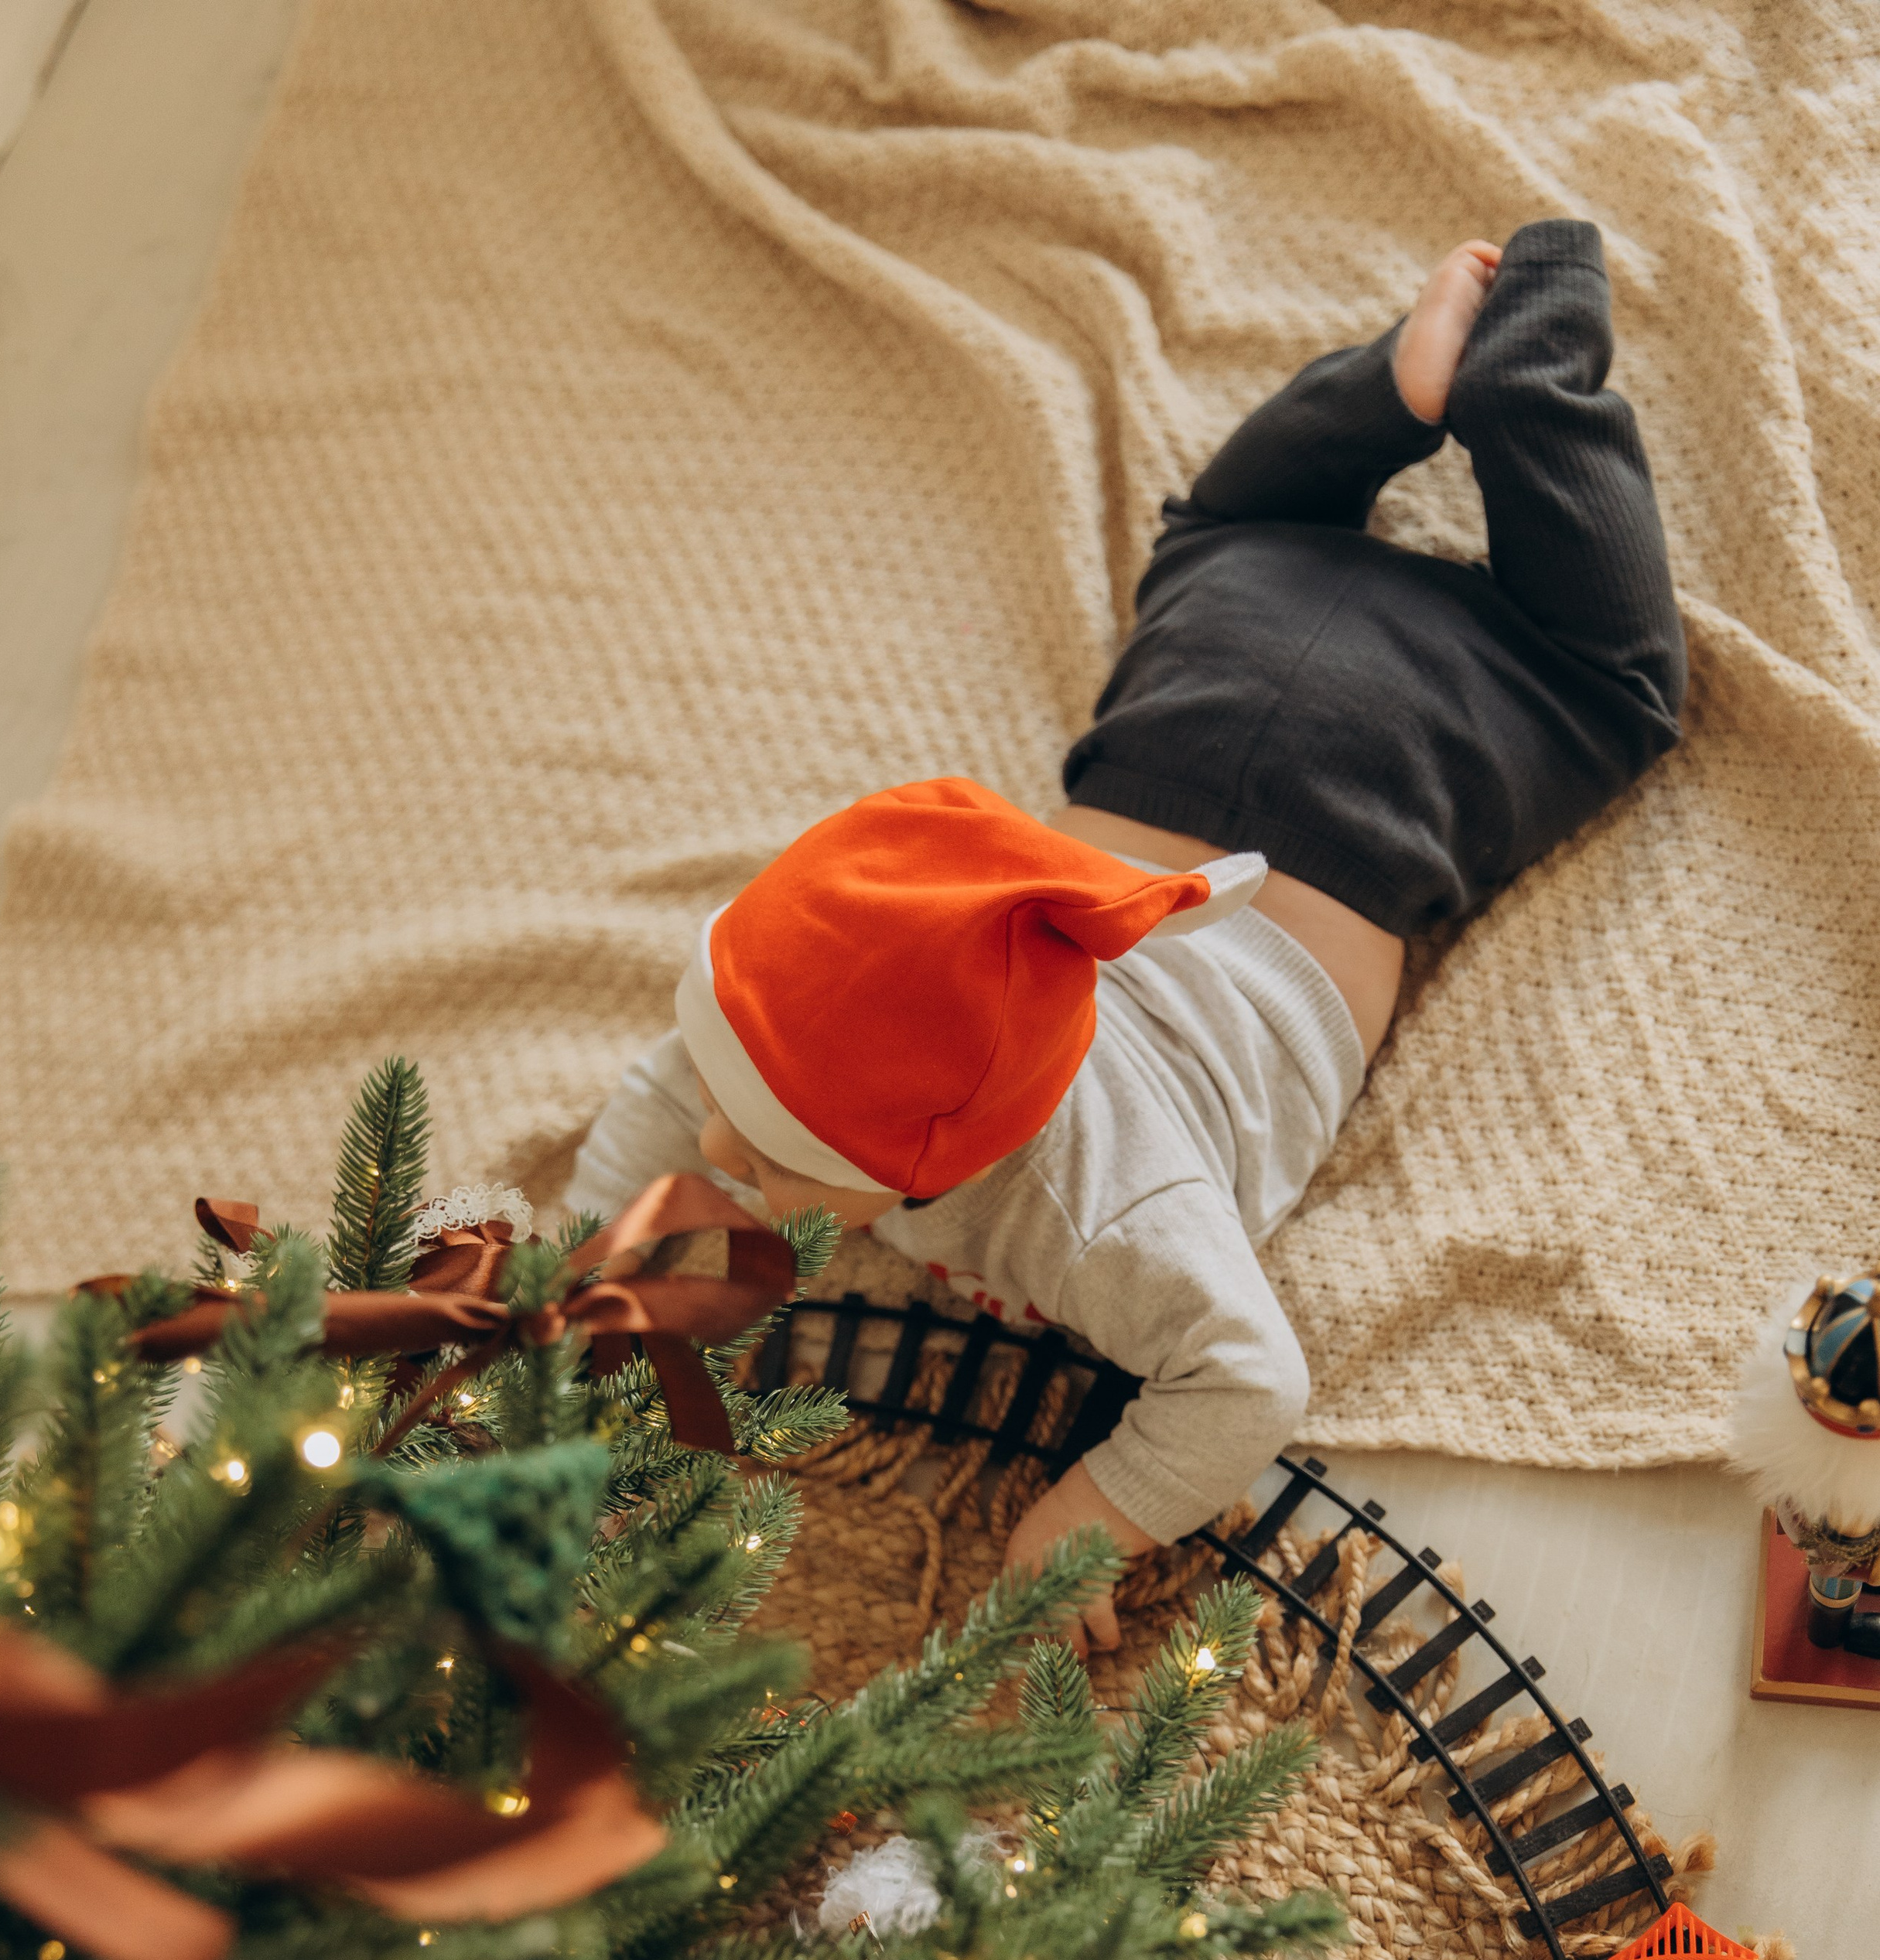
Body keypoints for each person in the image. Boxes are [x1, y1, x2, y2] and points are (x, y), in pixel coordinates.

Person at [565, 224, 1686, 1648]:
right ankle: (1413, 391)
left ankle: (1519, 368)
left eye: (774, 1156)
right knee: (1222, 532)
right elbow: (680, 1088)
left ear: (948, 1153)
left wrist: (1080, 1523)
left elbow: (1246, 1384)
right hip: (1219, 663)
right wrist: (590, 1263)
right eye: (740, 1121)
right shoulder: (804, 1050)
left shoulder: (1109, 1217)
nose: (718, 1156)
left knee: (1621, 680)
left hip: (1422, 744)